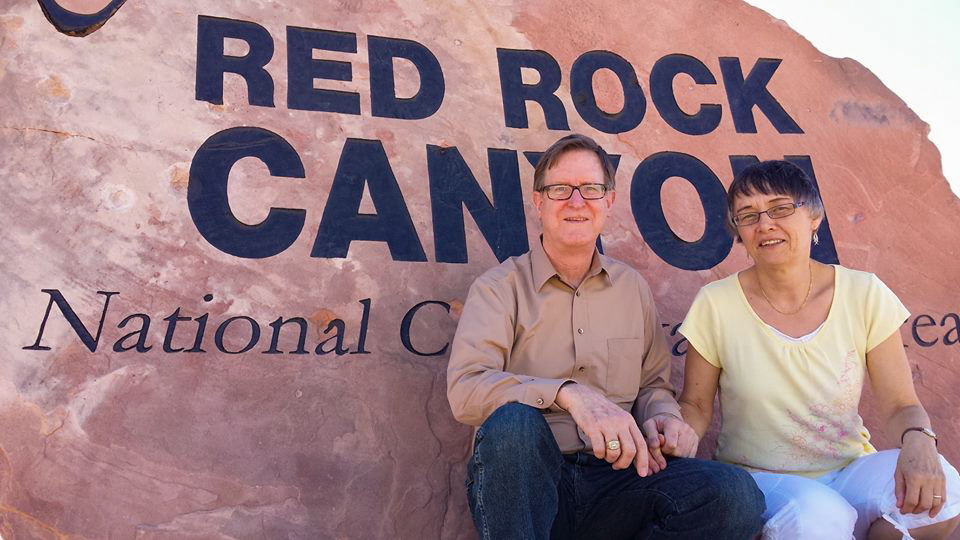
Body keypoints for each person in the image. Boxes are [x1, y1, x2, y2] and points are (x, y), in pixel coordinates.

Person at [446, 133, 764, 540]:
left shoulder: (632, 289)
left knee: (735, 495)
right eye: (560, 189)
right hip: (529, 483)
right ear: (538, 201)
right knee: (514, 426)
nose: (576, 202)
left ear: (608, 202)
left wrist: (663, 417)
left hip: (619, 480)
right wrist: (568, 394)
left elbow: (652, 385)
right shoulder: (498, 288)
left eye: (591, 189)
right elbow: (467, 390)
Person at [677, 160, 960, 539]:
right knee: (818, 518)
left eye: (780, 209)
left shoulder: (863, 293)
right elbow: (695, 407)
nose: (764, 224)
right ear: (739, 232)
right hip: (763, 480)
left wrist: (921, 441)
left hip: (849, 471)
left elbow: (899, 405)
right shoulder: (716, 303)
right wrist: (672, 436)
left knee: (945, 487)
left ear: (814, 216)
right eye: (748, 216)